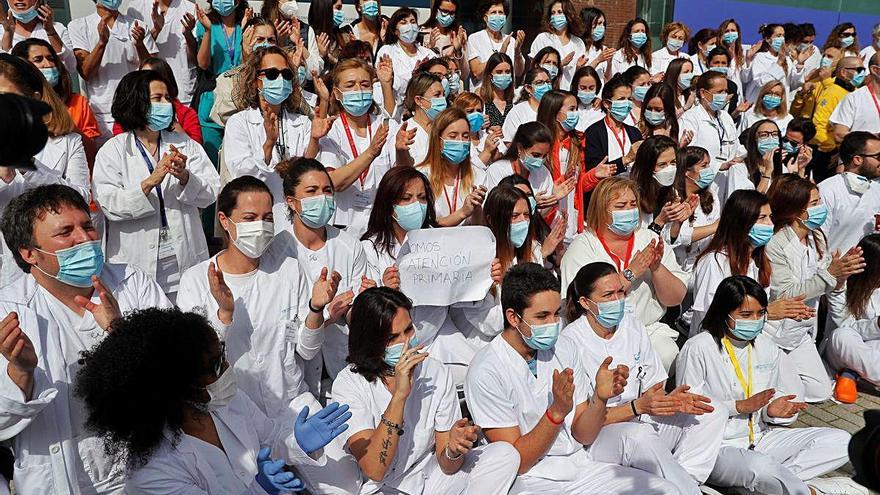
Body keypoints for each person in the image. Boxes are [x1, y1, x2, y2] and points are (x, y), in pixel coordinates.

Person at [176, 177, 362, 494]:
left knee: (349, 484)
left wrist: (317, 309)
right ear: (224, 220)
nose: (260, 227)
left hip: (292, 405)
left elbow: (306, 350)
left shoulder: (289, 271)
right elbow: (196, 367)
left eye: (266, 218)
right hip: (233, 419)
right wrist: (225, 315)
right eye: (249, 218)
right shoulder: (196, 280)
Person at [0, 184, 171, 493]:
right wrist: (20, 374)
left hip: (149, 469)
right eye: (66, 232)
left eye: (87, 226)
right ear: (29, 254)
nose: (85, 238)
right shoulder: (8, 312)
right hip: (64, 476)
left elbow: (178, 369)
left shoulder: (132, 283)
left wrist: (119, 331)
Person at [74, 307, 354, 494]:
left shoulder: (226, 401)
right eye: (215, 365)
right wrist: (259, 488)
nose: (227, 368)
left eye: (222, 356)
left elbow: (270, 439)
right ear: (175, 387)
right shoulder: (153, 472)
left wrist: (298, 443)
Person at [464, 262, 678, 494]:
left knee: (665, 491)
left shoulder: (564, 347)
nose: (553, 324)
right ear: (513, 318)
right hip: (532, 480)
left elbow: (582, 435)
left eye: (556, 314)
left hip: (581, 464)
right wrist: (555, 413)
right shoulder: (485, 370)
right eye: (542, 316)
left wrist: (600, 398)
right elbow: (518, 461)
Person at [676, 275, 859, 495]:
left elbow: (766, 403)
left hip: (762, 438)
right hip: (719, 446)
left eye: (761, 313)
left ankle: (770, 486)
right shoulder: (698, 347)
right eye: (745, 315)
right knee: (760, 468)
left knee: (842, 441)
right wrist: (738, 406)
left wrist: (770, 411)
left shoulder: (767, 345)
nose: (754, 320)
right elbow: (687, 408)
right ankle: (812, 491)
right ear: (723, 313)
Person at [332, 287, 520, 495]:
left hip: (429, 476)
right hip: (382, 488)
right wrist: (400, 396)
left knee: (505, 454)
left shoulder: (435, 371)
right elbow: (375, 469)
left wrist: (453, 450)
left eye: (409, 329)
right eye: (392, 337)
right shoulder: (348, 384)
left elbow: (447, 465)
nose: (405, 342)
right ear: (370, 341)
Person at [561, 262, 727, 495]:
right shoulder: (570, 342)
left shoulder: (632, 325)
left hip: (642, 417)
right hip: (599, 437)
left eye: (621, 291)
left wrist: (669, 401)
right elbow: (582, 425)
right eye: (608, 294)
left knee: (713, 411)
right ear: (585, 303)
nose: (618, 299)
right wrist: (637, 407)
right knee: (639, 435)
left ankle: (686, 481)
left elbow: (653, 386)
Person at [93, 70, 220, 299]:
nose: (166, 104)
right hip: (136, 260)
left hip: (184, 259)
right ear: (137, 102)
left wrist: (185, 177)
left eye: (168, 98)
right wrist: (150, 182)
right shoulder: (113, 150)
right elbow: (109, 204)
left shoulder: (184, 144)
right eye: (157, 98)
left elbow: (211, 191)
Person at [560, 177, 687, 372]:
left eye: (633, 204)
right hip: (598, 337)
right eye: (620, 205)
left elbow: (675, 298)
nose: (629, 210)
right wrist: (631, 273)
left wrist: (656, 268)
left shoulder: (650, 239)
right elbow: (574, 305)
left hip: (648, 330)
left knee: (666, 353)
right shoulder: (582, 247)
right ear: (602, 210)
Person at [765, 174, 864, 403]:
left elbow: (826, 280)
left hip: (801, 334)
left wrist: (841, 275)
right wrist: (830, 274)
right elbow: (785, 293)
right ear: (796, 211)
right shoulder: (776, 243)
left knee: (820, 392)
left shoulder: (816, 236)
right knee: (793, 397)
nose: (821, 208)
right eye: (814, 204)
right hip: (775, 334)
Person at [274, 158, 369, 394]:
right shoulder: (276, 252)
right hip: (296, 376)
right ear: (291, 202)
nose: (322, 197)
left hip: (343, 366)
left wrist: (363, 306)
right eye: (312, 191)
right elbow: (281, 324)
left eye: (327, 190)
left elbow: (353, 312)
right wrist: (327, 314)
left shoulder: (349, 246)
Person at [224, 46, 324, 233]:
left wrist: (315, 140)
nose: (279, 79)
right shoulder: (239, 123)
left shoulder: (302, 122)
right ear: (256, 82)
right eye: (271, 74)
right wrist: (269, 144)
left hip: (298, 219)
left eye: (285, 74)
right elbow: (243, 176)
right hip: (259, 220)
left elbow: (309, 171)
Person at [318, 58, 410, 238]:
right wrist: (370, 153)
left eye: (364, 84)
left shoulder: (386, 126)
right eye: (350, 85)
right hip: (342, 228)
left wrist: (401, 151)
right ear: (337, 94)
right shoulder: (331, 129)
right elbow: (333, 182)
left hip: (381, 227)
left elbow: (404, 176)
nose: (358, 91)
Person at [68, 0, 158, 142]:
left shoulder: (138, 25)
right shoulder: (79, 26)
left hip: (137, 111)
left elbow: (153, 70)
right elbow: (86, 72)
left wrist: (140, 44)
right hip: (102, 115)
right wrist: (102, 43)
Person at [9, 38, 101, 158]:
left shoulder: (77, 102)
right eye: (38, 60)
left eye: (51, 58)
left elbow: (91, 152)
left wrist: (69, 126)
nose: (48, 65)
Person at [360, 166, 437, 285]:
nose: (416, 204)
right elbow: (367, 299)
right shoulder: (370, 248)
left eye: (422, 198)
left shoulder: (437, 240)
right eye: (406, 198)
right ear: (388, 204)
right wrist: (385, 290)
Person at [826, 234, 880, 402]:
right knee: (841, 336)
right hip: (846, 349)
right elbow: (845, 326)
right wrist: (877, 325)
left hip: (874, 351)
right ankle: (853, 372)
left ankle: (852, 374)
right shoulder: (843, 285)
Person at [416, 107, 487, 225]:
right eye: (453, 136)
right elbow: (423, 225)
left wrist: (477, 210)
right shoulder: (421, 175)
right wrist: (462, 213)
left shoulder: (479, 175)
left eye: (465, 136)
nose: (460, 141)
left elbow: (481, 226)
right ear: (438, 141)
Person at [679, 70, 742, 195]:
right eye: (719, 92)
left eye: (725, 91)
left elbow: (735, 145)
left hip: (729, 180)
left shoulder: (726, 117)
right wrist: (718, 166)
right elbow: (690, 156)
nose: (724, 96)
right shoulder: (690, 118)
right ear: (703, 93)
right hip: (704, 182)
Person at [111, 57, 201, 143]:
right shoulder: (127, 115)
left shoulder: (186, 114)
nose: (147, 80)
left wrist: (170, 122)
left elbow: (196, 148)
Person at [818, 132, 880, 254]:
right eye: (878, 157)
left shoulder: (876, 188)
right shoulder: (827, 190)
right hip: (834, 270)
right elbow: (817, 241)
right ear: (858, 159)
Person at [127, 0, 197, 105]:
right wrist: (156, 30)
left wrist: (188, 34)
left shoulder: (189, 8)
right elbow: (135, 54)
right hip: (151, 95)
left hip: (184, 94)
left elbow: (196, 58)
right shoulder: (135, 8)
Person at [805, 55, 862, 181]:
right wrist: (831, 150)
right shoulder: (832, 93)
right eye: (858, 70)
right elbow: (819, 124)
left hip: (846, 151)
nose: (862, 74)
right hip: (826, 153)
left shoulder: (854, 92)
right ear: (843, 72)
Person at [628, 135, 692, 235]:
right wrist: (660, 221)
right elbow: (638, 242)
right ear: (647, 166)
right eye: (662, 165)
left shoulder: (672, 191)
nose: (669, 169)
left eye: (673, 162)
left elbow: (668, 240)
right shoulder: (630, 194)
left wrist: (678, 221)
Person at [583, 75, 641, 176]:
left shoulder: (634, 132)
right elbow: (594, 170)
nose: (626, 103)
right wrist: (625, 159)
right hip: (606, 189)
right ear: (606, 103)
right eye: (621, 99)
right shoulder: (594, 132)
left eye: (629, 99)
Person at [377, 8, 435, 102]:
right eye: (403, 23)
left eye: (413, 22)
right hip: (397, 107)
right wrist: (414, 76)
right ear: (395, 30)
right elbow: (387, 85)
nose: (410, 26)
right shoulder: (386, 52)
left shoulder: (429, 54)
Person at [0, 0, 74, 73]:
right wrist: (8, 34)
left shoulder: (57, 28)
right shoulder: (2, 31)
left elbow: (71, 66)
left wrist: (51, 32)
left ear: (38, 1)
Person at [467, 0, 525, 88]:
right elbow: (477, 72)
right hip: (483, 94)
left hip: (507, 96)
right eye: (494, 12)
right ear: (485, 17)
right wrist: (500, 53)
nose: (498, 16)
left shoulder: (511, 40)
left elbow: (519, 72)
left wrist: (517, 52)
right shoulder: (475, 38)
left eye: (501, 12)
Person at [528, 0, 584, 90]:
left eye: (559, 12)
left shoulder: (578, 43)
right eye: (553, 13)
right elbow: (534, 68)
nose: (555, 16)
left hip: (567, 93)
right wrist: (560, 64)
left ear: (569, 15)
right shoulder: (543, 38)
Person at [744, 24, 805, 104]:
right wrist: (778, 64)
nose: (782, 39)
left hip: (779, 107)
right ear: (768, 39)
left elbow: (793, 84)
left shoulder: (787, 59)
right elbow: (761, 82)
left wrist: (800, 64)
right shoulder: (760, 57)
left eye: (783, 35)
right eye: (778, 36)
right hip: (759, 105)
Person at [829, 51, 880, 139]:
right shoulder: (854, 98)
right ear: (875, 70)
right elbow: (839, 134)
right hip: (863, 151)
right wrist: (875, 137)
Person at [401, 72, 445, 166]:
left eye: (443, 94)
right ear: (419, 100)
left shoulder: (446, 128)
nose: (443, 99)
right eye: (437, 95)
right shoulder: (405, 132)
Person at [451, 91, 501, 170]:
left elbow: (503, 160)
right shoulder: (454, 140)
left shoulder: (489, 135)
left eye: (479, 111)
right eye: (470, 111)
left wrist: (497, 156)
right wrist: (487, 152)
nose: (476, 114)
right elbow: (465, 171)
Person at [501, 66, 549, 143]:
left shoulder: (555, 108)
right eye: (540, 82)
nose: (546, 86)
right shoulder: (518, 112)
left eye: (548, 82)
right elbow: (508, 142)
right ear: (528, 88)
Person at [420, 0, 469, 66]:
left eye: (452, 13)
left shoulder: (458, 36)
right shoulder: (421, 34)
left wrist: (458, 51)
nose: (448, 16)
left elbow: (465, 73)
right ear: (435, 10)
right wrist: (429, 49)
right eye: (445, 11)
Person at [307, 0, 349, 71]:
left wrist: (333, 60)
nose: (341, 12)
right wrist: (320, 56)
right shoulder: (308, 36)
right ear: (325, 9)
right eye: (338, 8)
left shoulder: (343, 36)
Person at [478, 52, 515, 128]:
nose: (504, 75)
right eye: (499, 72)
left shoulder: (516, 99)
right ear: (490, 75)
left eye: (507, 72)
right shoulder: (481, 97)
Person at [579, 7, 615, 82]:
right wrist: (598, 60)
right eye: (599, 23)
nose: (602, 27)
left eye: (603, 24)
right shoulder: (578, 46)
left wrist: (609, 63)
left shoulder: (602, 49)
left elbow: (608, 79)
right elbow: (580, 76)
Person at [570, 65, 604, 132]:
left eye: (591, 88)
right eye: (583, 88)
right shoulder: (567, 105)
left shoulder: (602, 108)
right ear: (576, 86)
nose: (587, 91)